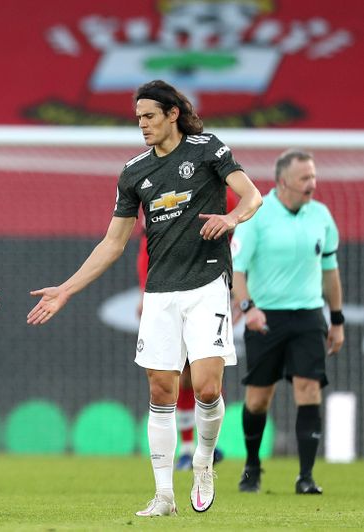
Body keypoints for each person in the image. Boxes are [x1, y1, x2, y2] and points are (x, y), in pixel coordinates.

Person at [27, 80, 262, 517]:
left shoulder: (207, 149)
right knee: (161, 390)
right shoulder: (134, 172)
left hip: (208, 283)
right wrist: (66, 288)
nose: (143, 125)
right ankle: (164, 496)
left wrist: (230, 218)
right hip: (160, 292)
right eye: (138, 119)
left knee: (209, 388)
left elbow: (252, 196)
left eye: (150, 116)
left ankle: (204, 463)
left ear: (173, 114)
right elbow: (112, 243)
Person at [232, 149, 344, 495]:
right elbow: (237, 270)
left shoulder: (321, 216)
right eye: (304, 178)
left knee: (309, 389)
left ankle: (306, 476)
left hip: (309, 316)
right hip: (266, 317)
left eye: (313, 176)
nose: (312, 183)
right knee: (258, 399)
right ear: (283, 182)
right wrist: (248, 308)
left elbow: (330, 271)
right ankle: (252, 466)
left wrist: (336, 319)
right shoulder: (258, 215)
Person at [136, 187, 237, 470]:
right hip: (167, 291)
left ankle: (206, 450)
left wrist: (234, 285)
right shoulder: (161, 189)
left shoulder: (223, 191)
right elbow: (147, 246)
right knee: (177, 376)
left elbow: (238, 235)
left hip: (207, 289)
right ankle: (187, 448)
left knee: (207, 378)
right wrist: (145, 290)